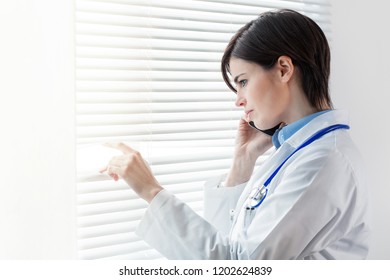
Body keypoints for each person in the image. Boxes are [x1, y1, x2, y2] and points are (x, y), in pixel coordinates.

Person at [100, 9, 370, 259]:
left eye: (243, 81)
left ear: (284, 69)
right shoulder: (299, 152)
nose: (238, 100)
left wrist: (151, 191)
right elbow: (229, 242)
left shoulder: (324, 161)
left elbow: (240, 266)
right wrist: (243, 162)